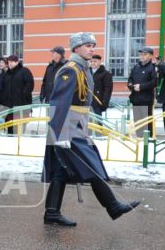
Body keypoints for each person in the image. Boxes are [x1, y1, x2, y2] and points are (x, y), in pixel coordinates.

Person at [42, 32, 141, 227]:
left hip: (76, 123)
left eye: (93, 45)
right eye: (87, 45)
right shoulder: (70, 69)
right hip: (66, 125)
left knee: (63, 169)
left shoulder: (82, 68)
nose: (92, 48)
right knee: (90, 163)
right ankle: (113, 206)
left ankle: (52, 212)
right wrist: (60, 132)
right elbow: (59, 102)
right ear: (76, 49)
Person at [0, 51, 35, 132]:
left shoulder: (24, 71)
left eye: (12, 62)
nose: (10, 64)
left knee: (19, 129)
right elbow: (2, 89)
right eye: (8, 62)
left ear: (17, 62)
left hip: (21, 105)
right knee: (10, 129)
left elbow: (30, 84)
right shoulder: (7, 74)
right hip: (8, 107)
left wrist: (24, 95)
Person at [128, 46, 160, 131]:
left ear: (150, 56)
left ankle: (148, 139)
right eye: (141, 54)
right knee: (138, 121)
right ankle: (139, 139)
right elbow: (130, 78)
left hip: (146, 99)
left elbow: (154, 82)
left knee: (146, 121)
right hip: (135, 97)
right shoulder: (136, 67)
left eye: (144, 54)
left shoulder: (152, 67)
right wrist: (130, 85)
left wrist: (141, 87)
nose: (142, 56)